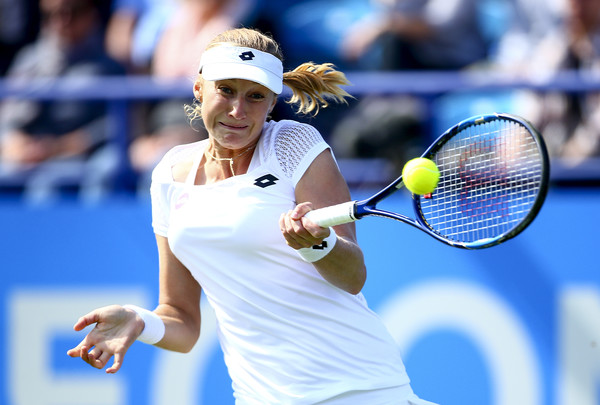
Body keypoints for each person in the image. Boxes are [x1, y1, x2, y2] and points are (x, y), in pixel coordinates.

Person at [67, 27, 438, 405]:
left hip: (357, 390)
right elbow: (181, 319)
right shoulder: (168, 174)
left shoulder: (293, 144)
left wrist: (318, 244)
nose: (237, 111)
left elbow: (353, 276)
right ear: (199, 87)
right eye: (225, 90)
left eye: (255, 96)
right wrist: (138, 320)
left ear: (272, 102)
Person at [0, 0, 125, 200]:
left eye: (72, 12)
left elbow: (117, 123)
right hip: (30, 154)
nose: (62, 21)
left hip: (80, 154)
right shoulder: (29, 61)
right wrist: (11, 141)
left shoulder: (109, 67)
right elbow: (9, 116)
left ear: (90, 15)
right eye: (52, 14)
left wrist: (66, 144)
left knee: (47, 186)